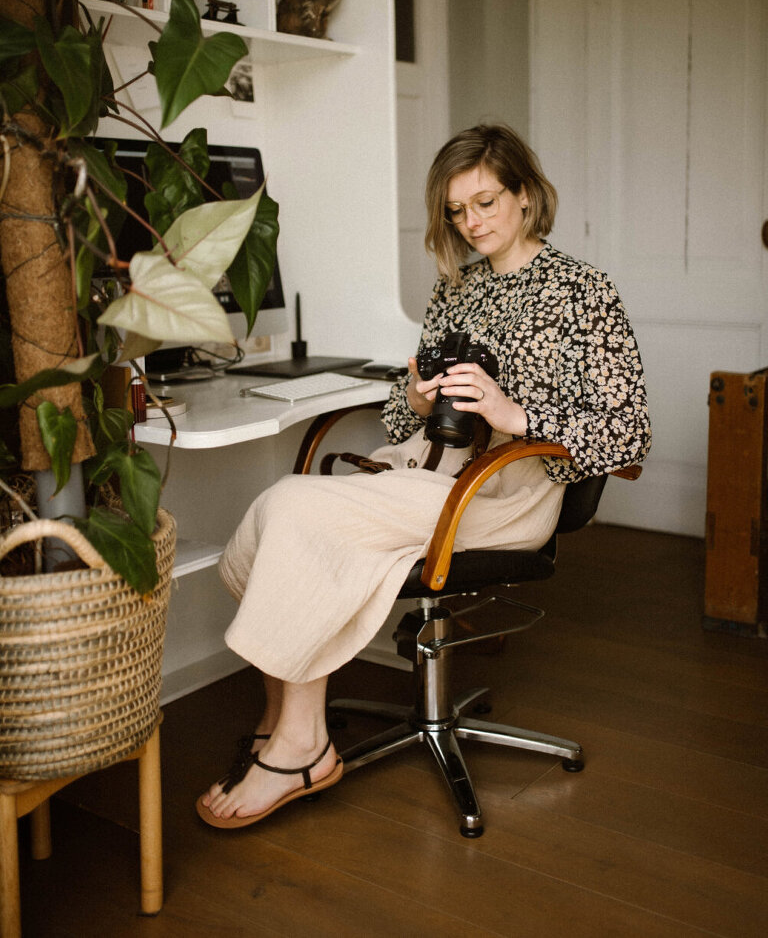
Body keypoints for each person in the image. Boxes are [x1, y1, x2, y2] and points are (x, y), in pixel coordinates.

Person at [197, 122, 651, 828]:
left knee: (296, 507)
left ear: (526, 195)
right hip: (428, 472)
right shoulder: (456, 289)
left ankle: (302, 745)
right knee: (276, 507)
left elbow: (630, 433)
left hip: (504, 492)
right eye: (456, 210)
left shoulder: (582, 291)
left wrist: (512, 412)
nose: (471, 223)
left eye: (486, 203)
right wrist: (412, 397)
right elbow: (400, 420)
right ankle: (283, 714)